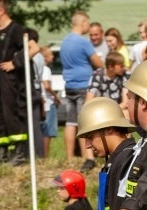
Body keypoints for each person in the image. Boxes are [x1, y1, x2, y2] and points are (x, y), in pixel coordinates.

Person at [0, 0, 40, 166]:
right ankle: (2, 150)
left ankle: (19, 151)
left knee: (12, 113)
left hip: (12, 80)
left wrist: (15, 63)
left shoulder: (16, 29)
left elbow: (34, 48)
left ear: (1, 11)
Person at [60, 11, 103, 170]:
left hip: (69, 84)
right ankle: (86, 155)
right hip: (83, 85)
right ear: (82, 22)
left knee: (70, 122)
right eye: (87, 23)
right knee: (83, 121)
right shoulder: (82, 42)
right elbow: (98, 62)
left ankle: (70, 156)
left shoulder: (64, 41)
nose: (88, 27)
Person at [39, 46, 61, 157]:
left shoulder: (37, 69)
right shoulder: (46, 70)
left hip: (41, 103)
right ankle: (45, 156)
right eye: (51, 55)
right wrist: (55, 96)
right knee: (47, 131)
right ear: (46, 58)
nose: (53, 56)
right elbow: (47, 86)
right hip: (48, 102)